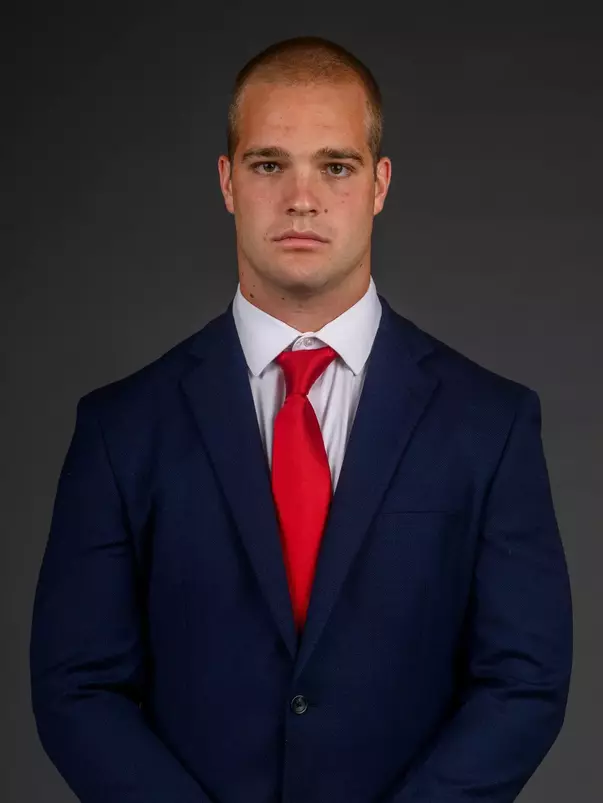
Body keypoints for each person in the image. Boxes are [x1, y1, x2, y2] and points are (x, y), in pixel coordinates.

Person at [30, 36, 573, 803]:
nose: (301, 198)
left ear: (379, 183)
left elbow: (524, 680)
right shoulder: (120, 429)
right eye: (267, 164)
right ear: (227, 181)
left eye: (336, 166)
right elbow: (76, 686)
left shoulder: (490, 424)